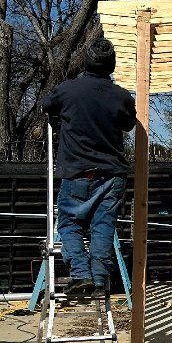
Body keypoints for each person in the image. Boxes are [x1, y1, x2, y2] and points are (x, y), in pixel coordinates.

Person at [41, 37, 137, 297]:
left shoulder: (68, 90)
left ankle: (81, 275)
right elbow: (129, 124)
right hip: (112, 175)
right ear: (112, 64)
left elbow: (46, 106)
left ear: (86, 61)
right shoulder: (122, 96)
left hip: (78, 173)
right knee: (103, 226)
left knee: (70, 223)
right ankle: (99, 280)